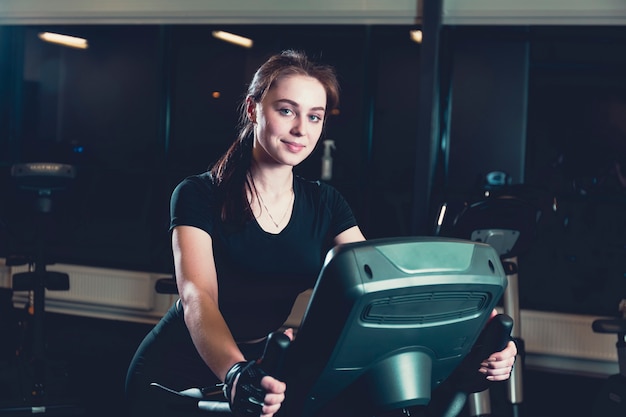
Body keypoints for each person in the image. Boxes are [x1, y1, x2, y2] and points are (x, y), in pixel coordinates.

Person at [125, 49, 517, 417]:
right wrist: (233, 372)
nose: (300, 129)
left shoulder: (326, 204)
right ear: (252, 109)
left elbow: (386, 288)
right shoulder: (198, 194)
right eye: (286, 111)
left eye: (314, 116)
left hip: (261, 368)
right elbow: (199, 297)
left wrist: (479, 324)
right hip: (176, 372)